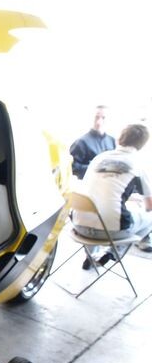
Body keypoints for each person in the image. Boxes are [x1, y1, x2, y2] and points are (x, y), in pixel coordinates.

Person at [74, 123, 152, 267]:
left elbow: (98, 190)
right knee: (149, 217)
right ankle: (112, 253)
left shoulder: (99, 158)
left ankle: (90, 256)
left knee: (100, 212)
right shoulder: (139, 164)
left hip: (78, 226)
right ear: (142, 144)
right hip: (110, 233)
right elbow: (149, 206)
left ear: (119, 138)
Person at [70, 105, 116, 179]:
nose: (99, 122)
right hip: (89, 183)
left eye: (103, 118)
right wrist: (96, 168)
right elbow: (73, 168)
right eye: (96, 117)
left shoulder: (112, 141)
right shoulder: (81, 142)